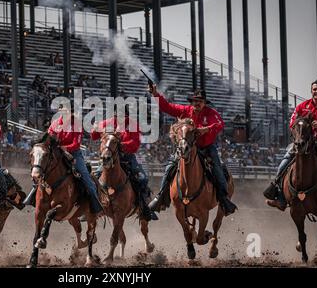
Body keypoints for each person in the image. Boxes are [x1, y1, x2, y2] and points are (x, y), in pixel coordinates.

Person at [148, 86, 237, 216]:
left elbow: (220, 124)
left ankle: (223, 198)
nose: (197, 103)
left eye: (200, 101)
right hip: (187, 147)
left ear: (205, 103)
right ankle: (161, 196)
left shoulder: (211, 113)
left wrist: (206, 129)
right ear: (192, 102)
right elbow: (166, 107)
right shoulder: (185, 110)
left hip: (206, 147)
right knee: (170, 167)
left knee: (218, 168)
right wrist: (155, 94)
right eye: (195, 100)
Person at [24, 104, 103, 214]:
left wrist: (64, 147)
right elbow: (48, 138)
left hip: (74, 154)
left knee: (86, 178)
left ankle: (96, 206)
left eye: (66, 111)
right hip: (57, 153)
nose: (63, 113)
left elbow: (76, 144)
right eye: (61, 110)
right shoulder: (55, 124)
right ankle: (33, 196)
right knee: (41, 171)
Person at [264, 79, 317, 211]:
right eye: (315, 89)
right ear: (311, 91)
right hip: (301, 142)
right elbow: (292, 122)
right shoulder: (302, 106)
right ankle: (280, 197)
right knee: (284, 163)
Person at [90, 106, 158, 221]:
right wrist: (94, 129)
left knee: (142, 178)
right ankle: (94, 206)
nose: (120, 118)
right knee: (95, 177)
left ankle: (144, 208)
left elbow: (135, 143)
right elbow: (95, 136)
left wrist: (120, 145)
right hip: (110, 157)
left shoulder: (132, 125)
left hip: (126, 157)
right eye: (118, 115)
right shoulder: (108, 123)